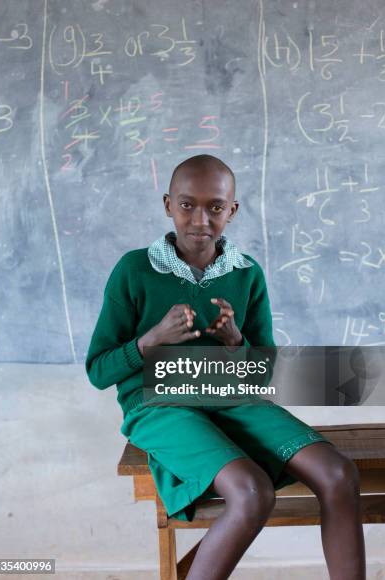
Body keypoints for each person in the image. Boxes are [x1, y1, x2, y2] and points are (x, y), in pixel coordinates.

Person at [85, 154, 366, 580]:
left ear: (232, 210)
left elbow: (264, 373)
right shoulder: (135, 269)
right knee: (251, 492)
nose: (201, 218)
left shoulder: (246, 273)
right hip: (160, 405)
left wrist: (236, 341)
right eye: (186, 205)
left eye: (215, 206)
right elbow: (99, 371)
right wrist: (150, 341)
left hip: (230, 396)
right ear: (167, 205)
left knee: (338, 473)